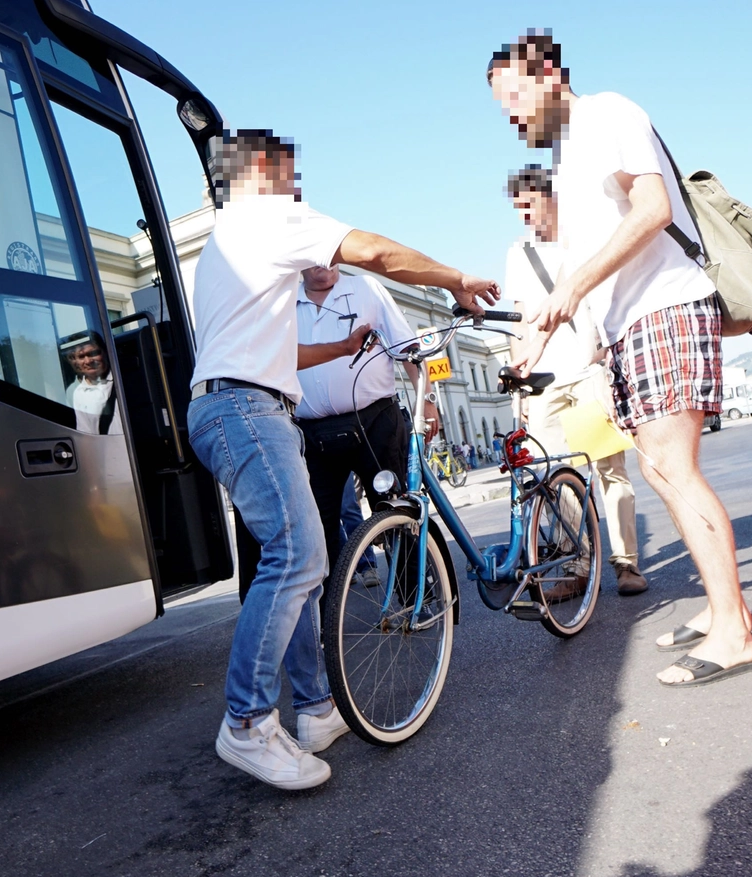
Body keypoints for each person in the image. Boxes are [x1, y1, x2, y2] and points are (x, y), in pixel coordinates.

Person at [187, 129, 497, 788]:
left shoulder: (221, 248)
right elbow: (377, 250)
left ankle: (316, 708)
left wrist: (341, 348)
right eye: (288, 172)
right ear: (260, 170)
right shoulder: (268, 215)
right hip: (249, 412)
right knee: (300, 555)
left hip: (225, 409)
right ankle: (245, 722)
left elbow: (286, 352)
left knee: (294, 557)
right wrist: (457, 278)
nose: (297, 189)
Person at [489, 33, 752, 687]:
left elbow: (654, 208)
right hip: (627, 329)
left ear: (549, 73)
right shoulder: (569, 155)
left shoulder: (608, 113)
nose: (512, 116)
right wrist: (555, 343)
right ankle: (722, 606)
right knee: (660, 471)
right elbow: (597, 278)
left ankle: (735, 632)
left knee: (672, 465)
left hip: (666, 308)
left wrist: (569, 290)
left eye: (515, 98)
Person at [501, 165, 648, 597]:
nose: (527, 214)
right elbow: (521, 321)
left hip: (586, 372)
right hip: (545, 380)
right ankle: (578, 563)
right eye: (519, 208)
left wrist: (606, 359)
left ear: (551, 196)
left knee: (608, 468)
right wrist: (520, 386)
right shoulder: (519, 253)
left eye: (531, 203)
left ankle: (625, 563)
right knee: (556, 474)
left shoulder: (584, 240)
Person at [293, 264, 437, 595]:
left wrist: (426, 399)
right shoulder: (285, 301)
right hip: (313, 433)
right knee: (318, 526)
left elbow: (409, 350)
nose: (322, 265)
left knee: (394, 508)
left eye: (328, 256)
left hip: (374, 422)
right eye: (312, 259)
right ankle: (323, 612)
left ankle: (415, 596)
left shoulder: (367, 289)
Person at [63, 334, 121, 435]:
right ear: (75, 361)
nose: (88, 361)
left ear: (105, 352)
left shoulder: (121, 379)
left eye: (93, 353)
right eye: (81, 356)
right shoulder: (78, 393)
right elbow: (86, 433)